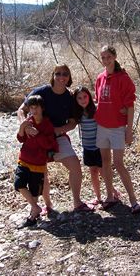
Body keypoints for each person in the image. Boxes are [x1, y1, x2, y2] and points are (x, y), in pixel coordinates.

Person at [17, 64, 93, 212]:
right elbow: (21, 109)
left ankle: (77, 202)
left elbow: (72, 122)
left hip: (57, 137)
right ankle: (47, 206)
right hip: (36, 137)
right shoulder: (41, 92)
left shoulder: (70, 98)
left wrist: (58, 130)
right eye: (58, 73)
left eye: (65, 74)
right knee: (41, 172)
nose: (61, 77)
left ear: (69, 77)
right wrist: (24, 126)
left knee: (75, 166)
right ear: (53, 75)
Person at [94, 45, 140, 214]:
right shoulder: (100, 78)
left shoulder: (123, 78)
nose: (105, 60)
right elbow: (98, 102)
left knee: (119, 163)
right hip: (101, 126)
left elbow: (130, 105)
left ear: (114, 57)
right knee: (105, 161)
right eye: (103, 57)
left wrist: (129, 130)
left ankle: (133, 200)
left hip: (117, 128)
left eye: (108, 57)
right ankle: (110, 196)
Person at [14, 95, 58, 228]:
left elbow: (49, 144)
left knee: (34, 192)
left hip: (38, 164)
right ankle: (36, 208)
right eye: (31, 107)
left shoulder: (47, 124)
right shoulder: (28, 121)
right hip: (24, 160)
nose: (34, 110)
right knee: (19, 184)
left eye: (36, 107)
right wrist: (22, 127)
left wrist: (37, 134)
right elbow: (20, 139)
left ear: (42, 108)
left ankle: (32, 217)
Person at [73, 86, 120, 206]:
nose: (83, 100)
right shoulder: (77, 113)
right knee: (93, 171)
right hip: (87, 147)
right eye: (79, 98)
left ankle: (113, 192)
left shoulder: (96, 109)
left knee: (102, 170)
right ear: (76, 100)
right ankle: (98, 197)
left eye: (85, 97)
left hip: (100, 146)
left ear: (89, 96)